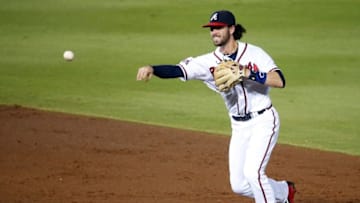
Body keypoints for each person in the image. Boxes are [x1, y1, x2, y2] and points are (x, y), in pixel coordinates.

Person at [136, 10, 296, 203]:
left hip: (264, 120)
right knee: (239, 184)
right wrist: (152, 69)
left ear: (232, 29)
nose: (214, 32)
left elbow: (280, 80)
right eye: (212, 29)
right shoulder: (208, 62)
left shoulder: (255, 53)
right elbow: (178, 69)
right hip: (239, 126)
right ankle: (284, 192)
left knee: (254, 174)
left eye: (218, 28)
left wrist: (247, 73)